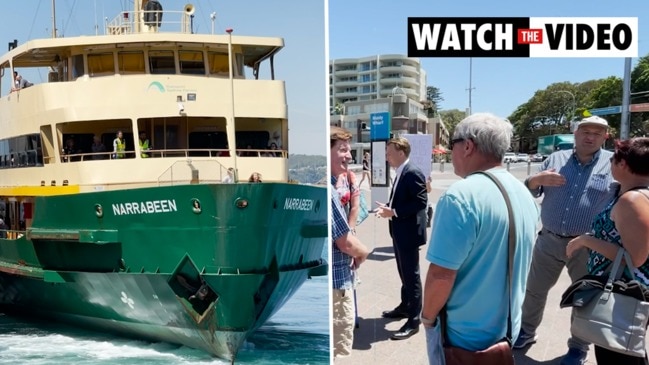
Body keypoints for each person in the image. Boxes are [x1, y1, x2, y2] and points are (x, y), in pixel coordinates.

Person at [422, 113, 540, 361]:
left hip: (464, 337)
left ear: (467, 146)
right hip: (507, 328)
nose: (449, 152)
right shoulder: (522, 192)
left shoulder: (461, 196)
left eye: (452, 143)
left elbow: (441, 274)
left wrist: (427, 318)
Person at [514, 115, 617, 365]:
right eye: (585, 131)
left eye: (597, 132)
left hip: (587, 245)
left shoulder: (613, 163)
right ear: (575, 133)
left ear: (605, 137)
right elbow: (528, 188)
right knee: (535, 290)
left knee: (584, 296)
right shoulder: (555, 159)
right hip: (548, 240)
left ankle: (579, 346)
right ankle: (526, 332)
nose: (590, 136)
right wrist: (535, 180)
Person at [566, 137, 649, 365]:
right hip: (623, 292)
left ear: (622, 164)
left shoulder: (632, 200)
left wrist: (586, 241)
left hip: (623, 294)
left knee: (617, 353)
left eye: (613, 158)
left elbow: (635, 258)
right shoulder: (634, 194)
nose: (610, 163)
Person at [376, 137, 428, 340]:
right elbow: (401, 198)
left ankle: (414, 321)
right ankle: (405, 307)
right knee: (403, 272)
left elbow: (421, 202)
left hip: (408, 233)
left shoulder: (412, 171)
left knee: (411, 276)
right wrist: (389, 208)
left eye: (389, 152)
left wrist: (394, 212)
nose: (387, 156)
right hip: (399, 231)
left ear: (400, 152)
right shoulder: (401, 171)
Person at [330, 126, 371, 358]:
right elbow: (345, 243)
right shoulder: (330, 191)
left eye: (349, 150)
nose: (349, 155)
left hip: (339, 277)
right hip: (338, 283)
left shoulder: (343, 182)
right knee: (336, 350)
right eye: (342, 149)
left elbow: (354, 204)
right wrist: (362, 253)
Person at [335, 160, 360, 235]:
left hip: (344, 218)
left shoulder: (349, 175)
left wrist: (351, 229)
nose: (349, 156)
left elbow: (355, 206)